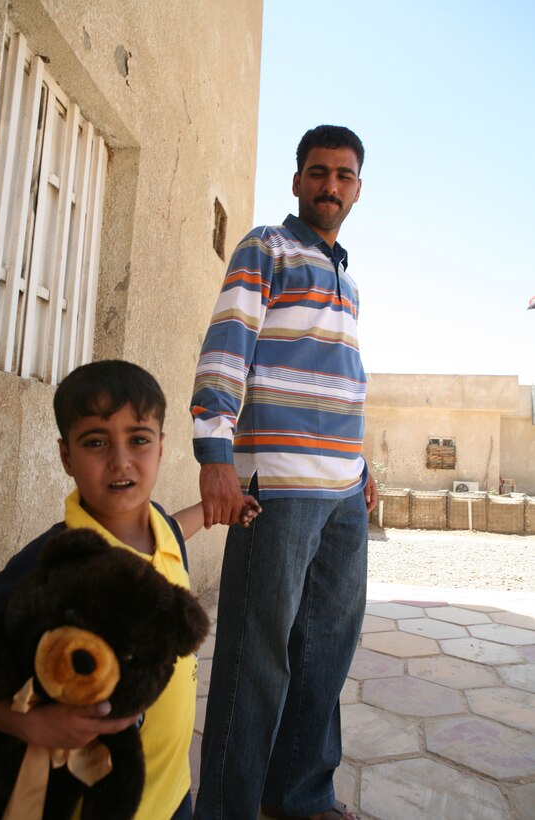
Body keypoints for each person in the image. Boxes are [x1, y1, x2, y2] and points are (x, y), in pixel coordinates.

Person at [190, 125, 377, 820]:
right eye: (319, 172)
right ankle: (230, 808)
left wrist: (360, 466)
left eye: (344, 176)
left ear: (357, 188)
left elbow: (343, 381)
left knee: (326, 648)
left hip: (341, 495)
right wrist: (214, 452)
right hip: (276, 486)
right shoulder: (265, 246)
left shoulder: (349, 283)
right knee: (255, 655)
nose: (331, 185)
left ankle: (299, 795)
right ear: (297, 180)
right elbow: (227, 345)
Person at [0, 359, 260, 820]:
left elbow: (175, 528)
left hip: (174, 792)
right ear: (66, 456)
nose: (120, 460)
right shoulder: (56, 563)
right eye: (96, 442)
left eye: (138, 439)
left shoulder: (160, 528)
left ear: (159, 448)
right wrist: (30, 725)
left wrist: (216, 511)